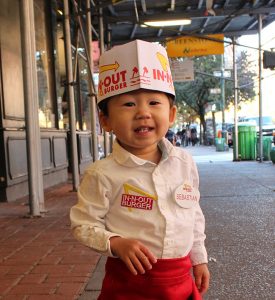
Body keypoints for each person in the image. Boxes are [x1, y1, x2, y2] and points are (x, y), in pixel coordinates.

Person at [70, 40, 210, 300]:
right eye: (128, 104)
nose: (143, 113)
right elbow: (82, 224)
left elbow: (193, 213)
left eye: (154, 103)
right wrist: (115, 242)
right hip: (130, 282)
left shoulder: (184, 163)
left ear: (171, 114)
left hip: (180, 278)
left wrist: (199, 258)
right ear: (106, 120)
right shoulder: (102, 174)